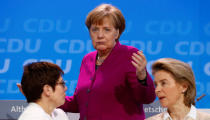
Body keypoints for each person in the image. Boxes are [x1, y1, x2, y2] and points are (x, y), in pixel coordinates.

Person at [59, 3, 156, 120]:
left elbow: (147, 98)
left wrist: (142, 77)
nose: (100, 35)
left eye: (106, 30)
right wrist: (46, 98)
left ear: (117, 33)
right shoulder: (87, 59)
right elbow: (79, 103)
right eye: (95, 29)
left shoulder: (129, 55)